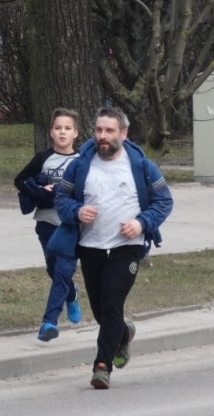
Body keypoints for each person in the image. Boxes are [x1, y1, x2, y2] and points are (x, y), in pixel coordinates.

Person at [52, 106, 173, 389]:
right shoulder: (81, 165)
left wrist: (141, 223)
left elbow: (164, 201)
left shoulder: (141, 166)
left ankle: (102, 366)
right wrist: (77, 211)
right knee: (101, 311)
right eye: (98, 130)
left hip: (127, 247)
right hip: (90, 246)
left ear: (123, 133)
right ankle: (123, 334)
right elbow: (61, 198)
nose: (102, 136)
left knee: (112, 303)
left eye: (109, 131)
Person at [13, 107, 83, 342]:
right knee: (54, 271)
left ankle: (48, 323)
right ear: (51, 132)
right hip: (46, 223)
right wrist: (40, 189)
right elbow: (20, 180)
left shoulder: (82, 161)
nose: (62, 132)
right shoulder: (43, 159)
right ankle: (71, 294)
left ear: (75, 133)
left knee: (63, 270)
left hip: (71, 226)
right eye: (58, 128)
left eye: (67, 128)